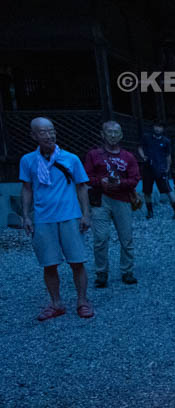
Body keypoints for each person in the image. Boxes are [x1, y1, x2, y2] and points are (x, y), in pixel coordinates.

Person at [19, 117, 94, 320]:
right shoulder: (28, 161)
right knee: (49, 264)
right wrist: (26, 216)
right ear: (33, 135)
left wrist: (86, 214)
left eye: (51, 130)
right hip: (43, 218)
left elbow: (81, 186)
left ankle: (82, 301)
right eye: (42, 132)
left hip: (70, 216)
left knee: (77, 261)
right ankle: (56, 303)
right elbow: (26, 188)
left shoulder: (70, 158)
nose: (49, 135)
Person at [84, 121, 141, 287]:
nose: (113, 135)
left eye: (117, 132)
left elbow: (135, 179)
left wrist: (120, 183)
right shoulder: (93, 155)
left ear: (121, 135)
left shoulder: (128, 157)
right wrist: (100, 181)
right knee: (100, 238)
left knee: (126, 238)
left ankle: (127, 270)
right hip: (100, 199)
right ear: (102, 134)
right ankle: (101, 272)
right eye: (109, 132)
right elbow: (86, 177)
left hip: (122, 199)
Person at [137, 121, 175, 219]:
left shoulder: (166, 141)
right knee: (147, 191)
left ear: (163, 129)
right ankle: (150, 212)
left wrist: (168, 167)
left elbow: (168, 155)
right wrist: (143, 156)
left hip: (160, 169)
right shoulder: (146, 137)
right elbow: (139, 147)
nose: (158, 129)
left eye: (160, 127)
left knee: (168, 190)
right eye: (156, 126)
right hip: (148, 168)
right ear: (153, 126)